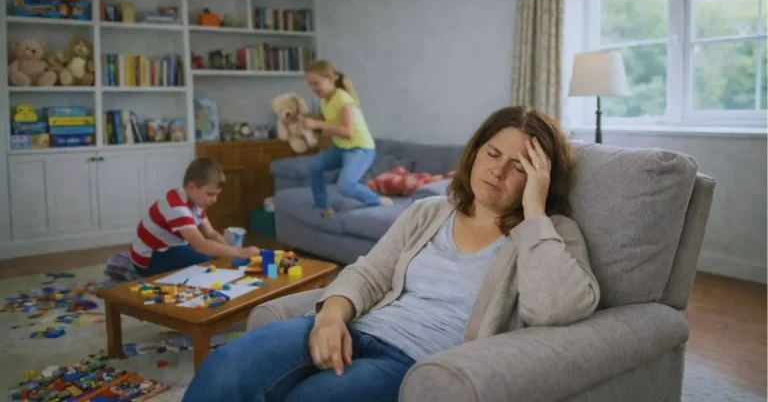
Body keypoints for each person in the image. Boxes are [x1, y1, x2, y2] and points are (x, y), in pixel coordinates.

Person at [182, 106, 601, 402]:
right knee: (226, 366)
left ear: (540, 181)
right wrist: (330, 317)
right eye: (493, 154)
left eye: (519, 167)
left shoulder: (550, 233)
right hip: (359, 326)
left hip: (411, 360)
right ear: (475, 153)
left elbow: (554, 308)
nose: (498, 170)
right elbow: (369, 272)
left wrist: (533, 213)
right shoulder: (429, 211)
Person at [129, 157, 260, 277]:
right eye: (210, 194)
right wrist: (240, 252)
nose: (214, 200)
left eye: (216, 195)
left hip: (172, 247)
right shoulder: (176, 207)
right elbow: (201, 245)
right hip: (149, 258)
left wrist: (233, 252)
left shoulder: (196, 202)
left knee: (215, 253)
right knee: (206, 259)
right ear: (192, 187)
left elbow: (210, 233)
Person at [301, 60, 393, 217]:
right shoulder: (324, 100)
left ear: (330, 79)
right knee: (314, 166)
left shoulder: (343, 99)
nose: (313, 88)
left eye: (316, 83)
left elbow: (348, 132)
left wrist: (318, 124)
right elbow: (331, 127)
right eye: (310, 85)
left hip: (360, 149)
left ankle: (376, 200)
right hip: (341, 147)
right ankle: (324, 207)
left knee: (345, 186)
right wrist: (313, 127)